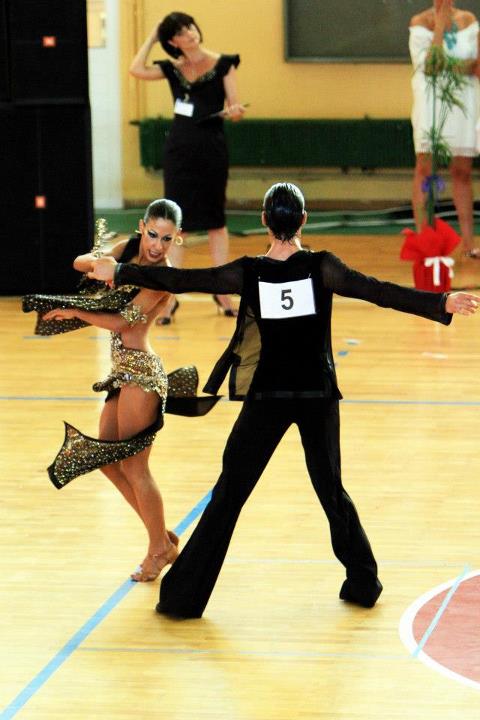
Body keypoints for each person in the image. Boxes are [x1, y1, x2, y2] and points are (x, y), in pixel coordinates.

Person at [88, 183, 479, 617]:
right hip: (316, 397)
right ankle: (363, 582)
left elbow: (183, 279)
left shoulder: (249, 272)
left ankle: (183, 597)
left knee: (229, 494)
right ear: (304, 220)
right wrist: (441, 302)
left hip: (267, 399)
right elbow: (379, 291)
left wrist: (121, 271)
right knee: (331, 491)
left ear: (263, 222)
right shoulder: (323, 267)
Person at [25, 199, 218, 583]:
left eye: (166, 239)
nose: (157, 245)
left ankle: (157, 548)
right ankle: (161, 538)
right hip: (121, 374)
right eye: (153, 234)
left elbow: (122, 323)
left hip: (142, 375)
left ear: (177, 238)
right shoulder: (127, 250)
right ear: (142, 227)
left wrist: (77, 311)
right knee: (108, 462)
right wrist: (101, 263)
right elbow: (80, 263)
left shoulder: (162, 277)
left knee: (135, 467)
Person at [129, 11, 246, 321]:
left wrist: (235, 111)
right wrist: (152, 37)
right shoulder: (172, 69)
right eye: (181, 31)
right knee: (174, 222)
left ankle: (222, 291)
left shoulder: (224, 64)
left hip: (212, 150)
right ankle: (169, 296)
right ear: (173, 41)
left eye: (191, 27)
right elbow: (136, 69)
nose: (190, 33)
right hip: (179, 151)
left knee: (215, 221)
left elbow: (235, 109)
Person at [409, 0, 480, 257]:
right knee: (425, 168)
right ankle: (425, 241)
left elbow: (476, 66)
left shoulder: (469, 20)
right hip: (431, 103)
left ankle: (469, 244)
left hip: (463, 103)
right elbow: (430, 66)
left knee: (462, 171)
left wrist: (450, 66)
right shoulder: (420, 22)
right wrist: (439, 27)